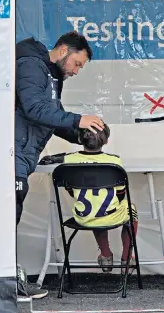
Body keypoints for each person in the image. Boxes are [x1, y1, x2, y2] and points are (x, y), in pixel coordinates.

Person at [15, 31, 105, 298]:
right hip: (12, 152)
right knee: (8, 213)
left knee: (12, 214)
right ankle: (3, 285)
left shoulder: (52, 75)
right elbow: (33, 108)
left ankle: (6, 283)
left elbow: (51, 116)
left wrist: (82, 135)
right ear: (64, 49)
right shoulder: (31, 65)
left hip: (24, 153)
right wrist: (78, 120)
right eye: (77, 64)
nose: (76, 72)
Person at [64, 124, 139, 274]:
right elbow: (120, 194)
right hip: (110, 215)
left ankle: (105, 255)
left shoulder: (69, 160)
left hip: (83, 217)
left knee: (95, 210)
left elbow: (71, 190)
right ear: (106, 141)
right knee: (131, 209)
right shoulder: (114, 162)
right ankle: (126, 258)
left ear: (80, 139)